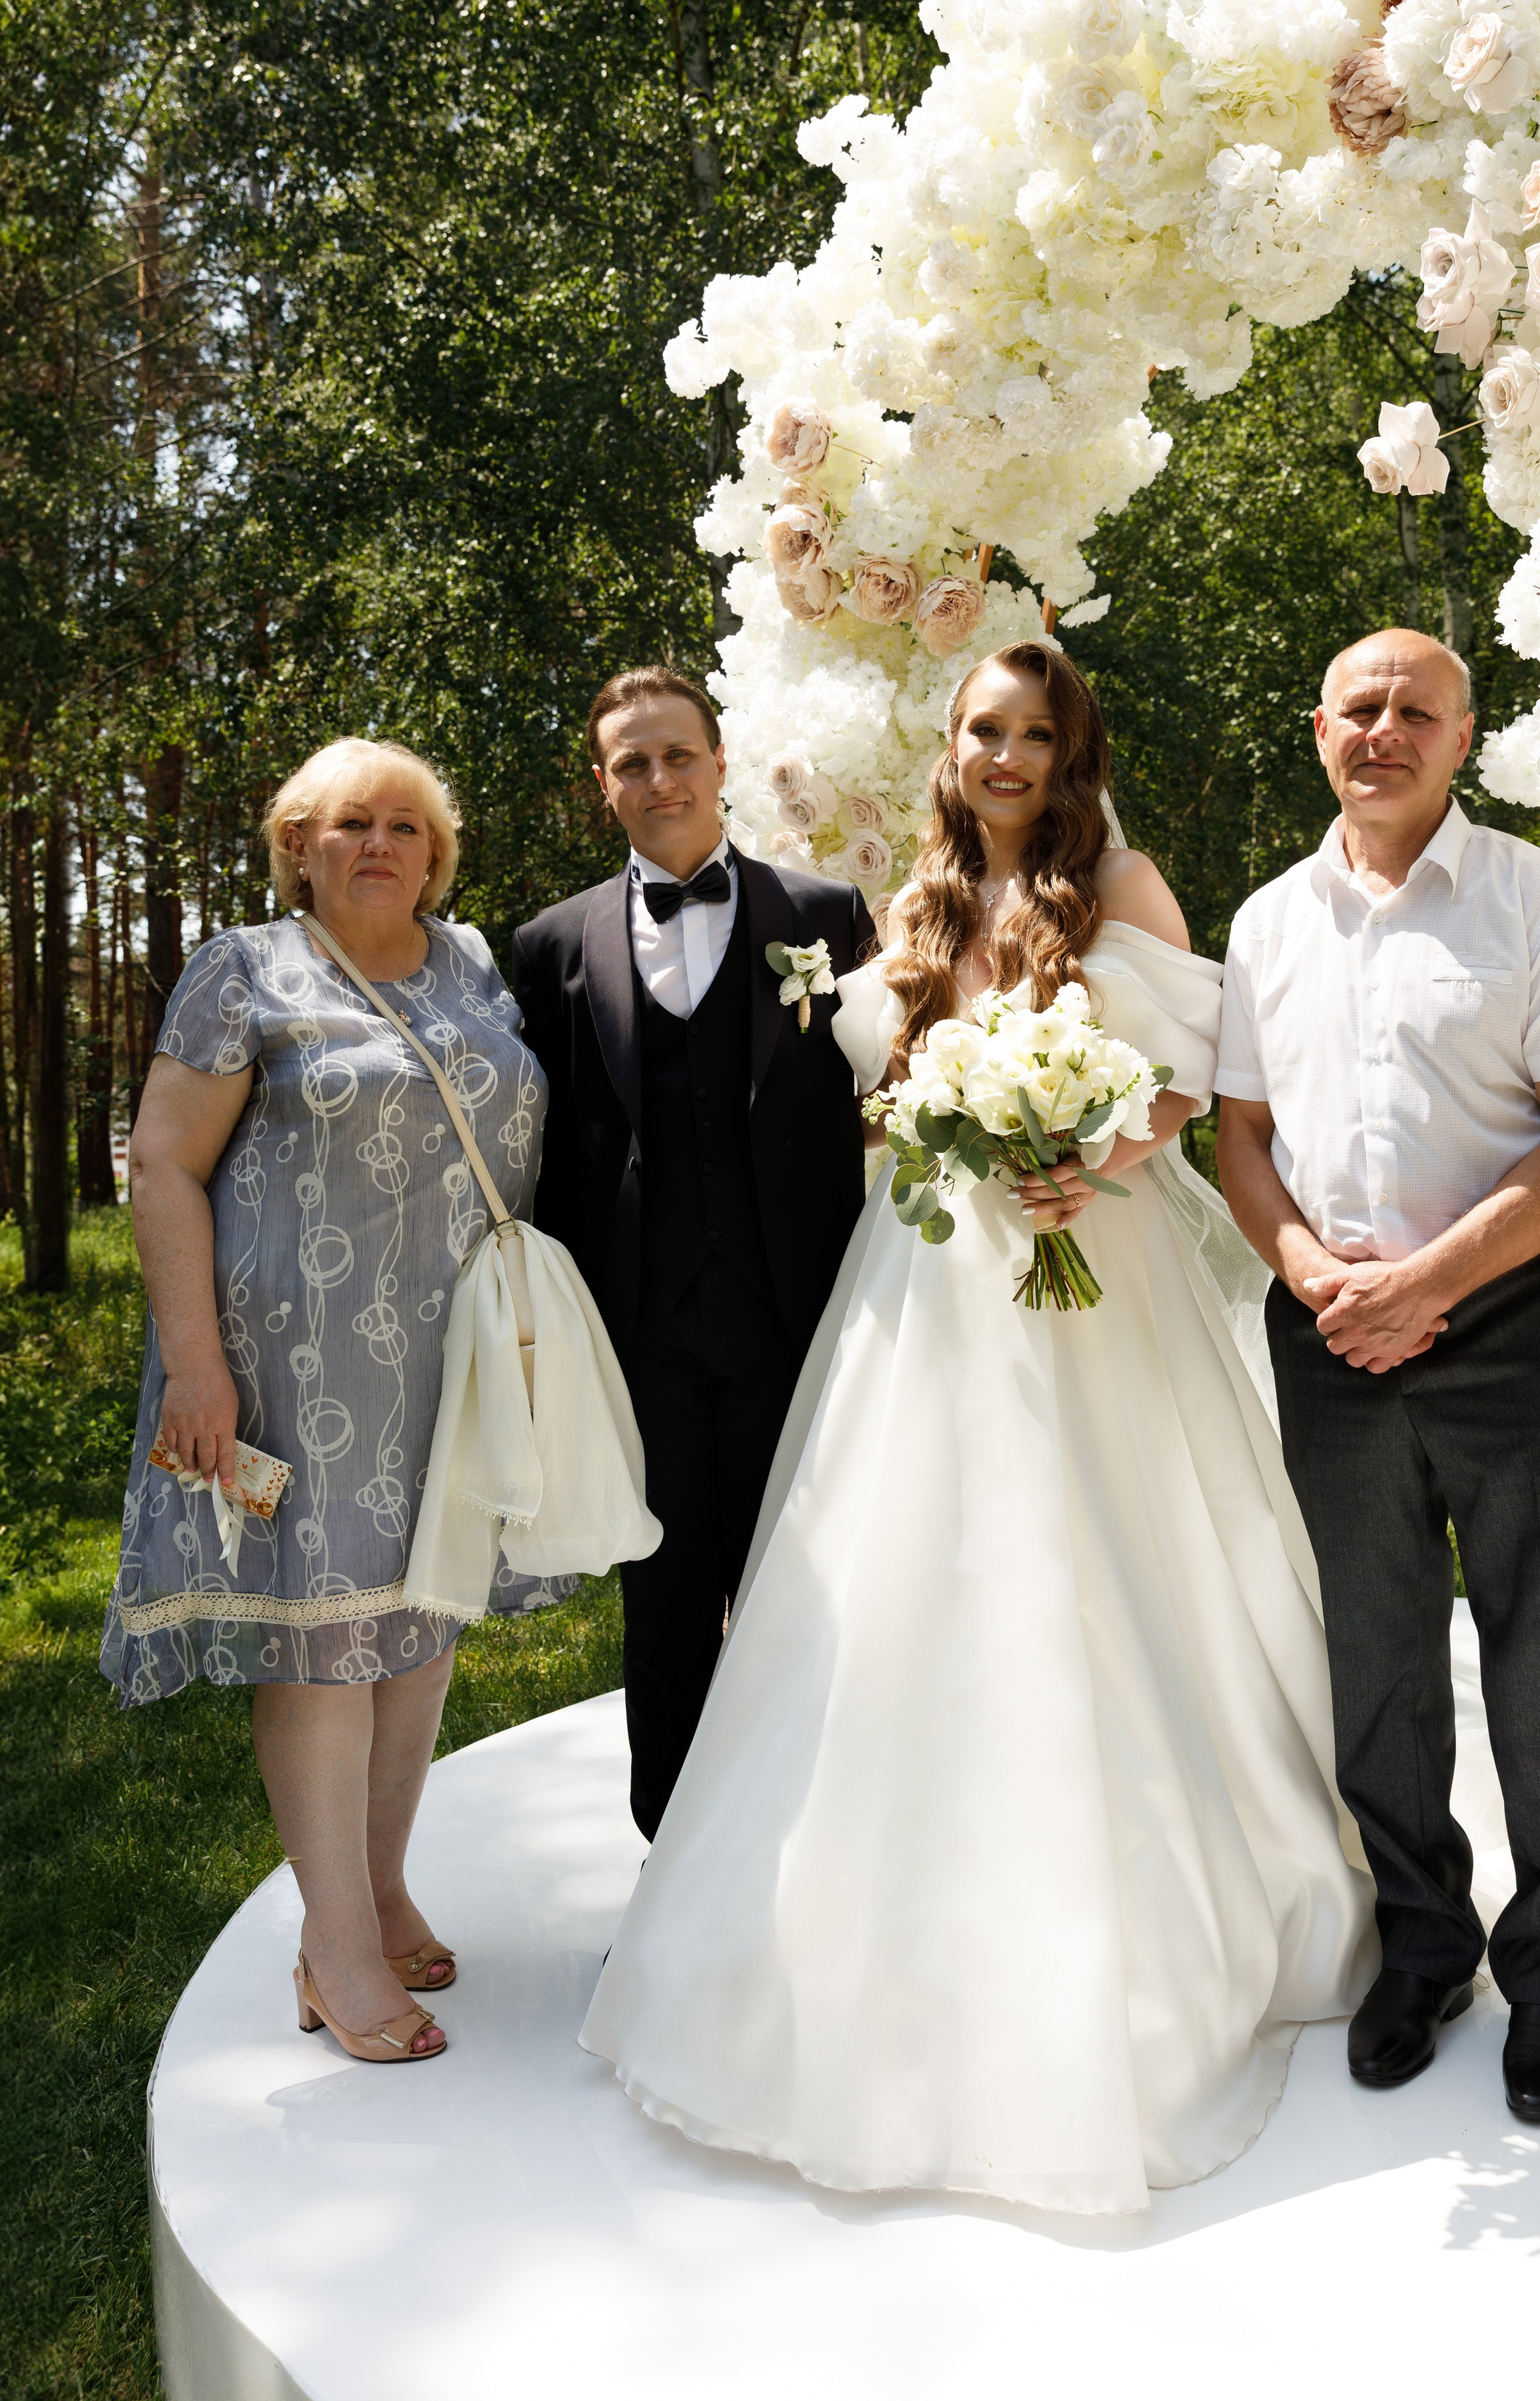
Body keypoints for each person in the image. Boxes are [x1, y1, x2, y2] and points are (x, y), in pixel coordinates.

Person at [578, 642, 1377, 2218]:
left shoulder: (1122, 881)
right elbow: (879, 1109)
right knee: (901, 1584)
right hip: (932, 1283)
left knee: (1114, 1561)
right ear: (948, 748)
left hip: (1096, 1268)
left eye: (1033, 734)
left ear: (1069, 750)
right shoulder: (909, 910)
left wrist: (1093, 1152)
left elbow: (1195, 1081)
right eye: (981, 731)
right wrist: (946, 1127)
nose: (1006, 757)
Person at [1214, 628, 1540, 2127]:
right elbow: (1239, 1140)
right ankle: (1424, 1947)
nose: (1381, 732)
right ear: (1316, 728)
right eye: (1358, 709)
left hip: (1511, 1331)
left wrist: (1425, 1285)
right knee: (1375, 1664)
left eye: (1414, 711)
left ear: (1463, 737)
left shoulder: (1537, 900)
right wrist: (1318, 1280)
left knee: (1537, 1665)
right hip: (1330, 1340)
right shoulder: (1264, 923)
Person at [104, 738, 570, 2064]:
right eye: (350, 823)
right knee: (322, 1640)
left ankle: (379, 1886)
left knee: (418, 1625)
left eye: (406, 825)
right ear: (298, 846)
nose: (380, 844)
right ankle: (335, 1946)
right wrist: (198, 1364)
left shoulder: (475, 962)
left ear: (438, 852)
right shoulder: (246, 972)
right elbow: (166, 1168)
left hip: (449, 1364)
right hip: (290, 1364)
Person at [511, 666, 871, 1841]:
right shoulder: (549, 945)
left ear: (719, 763)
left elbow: (879, 1100)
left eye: (678, 754)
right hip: (637, 1339)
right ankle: (673, 1884)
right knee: (663, 1616)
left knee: (801, 1599)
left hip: (797, 1320)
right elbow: (548, 1145)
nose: (658, 779)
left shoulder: (827, 916)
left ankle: (806, 1864)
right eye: (632, 762)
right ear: (603, 783)